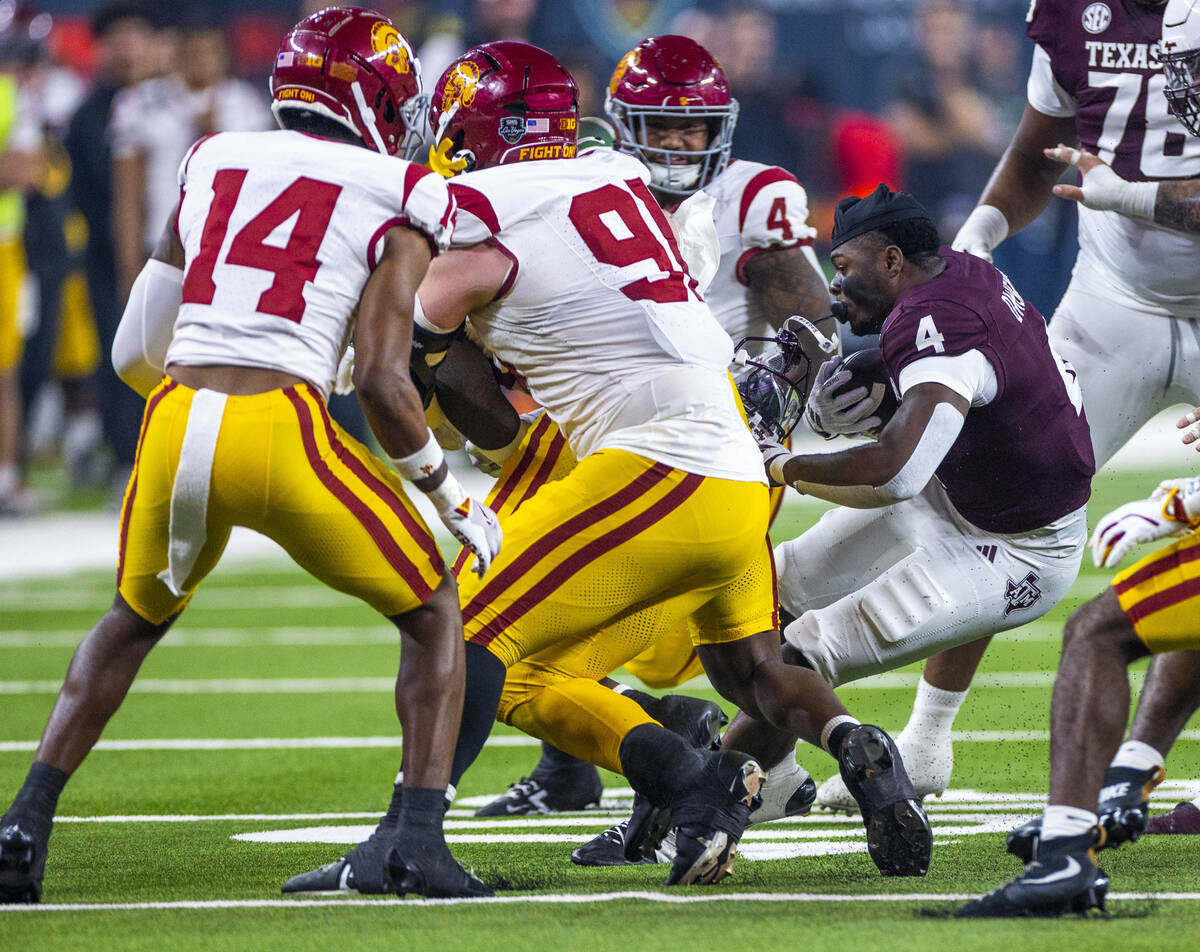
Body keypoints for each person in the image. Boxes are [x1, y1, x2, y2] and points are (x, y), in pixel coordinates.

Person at [285, 41, 931, 892]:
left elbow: (415, 350)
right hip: (734, 468)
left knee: (464, 628)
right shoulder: (614, 179)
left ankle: (410, 840)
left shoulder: (476, 206)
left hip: (659, 465)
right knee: (751, 672)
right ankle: (843, 744)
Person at [0, 7, 501, 905]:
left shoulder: (213, 157)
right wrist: (447, 495)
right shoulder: (408, 188)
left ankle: (24, 822)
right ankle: (418, 839)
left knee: (132, 619)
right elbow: (386, 384)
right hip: (281, 429)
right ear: (380, 101)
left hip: (174, 414)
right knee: (432, 606)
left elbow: (130, 354)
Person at [819, 0, 1200, 813]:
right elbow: (1034, 154)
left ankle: (1136, 760)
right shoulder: (1068, 16)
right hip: (1117, 303)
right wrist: (975, 242)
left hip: (1140, 258)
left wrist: (1124, 196)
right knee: (997, 493)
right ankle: (925, 741)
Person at [472, 33, 834, 832]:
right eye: (661, 129)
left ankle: (696, 762)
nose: (676, 145)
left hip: (698, 429)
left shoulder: (750, 196)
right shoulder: (598, 176)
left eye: (693, 130)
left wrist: (777, 390)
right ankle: (606, 764)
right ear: (619, 123)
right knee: (548, 591)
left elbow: (813, 322)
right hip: (614, 418)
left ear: (721, 131)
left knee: (602, 625)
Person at [734, 185, 1094, 832]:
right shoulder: (954, 272)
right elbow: (933, 396)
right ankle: (780, 773)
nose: (836, 287)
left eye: (844, 268)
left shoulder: (937, 322)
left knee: (799, 654)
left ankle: (720, 796)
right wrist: (865, 380)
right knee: (770, 593)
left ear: (894, 260)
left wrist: (782, 463)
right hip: (958, 492)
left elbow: (898, 472)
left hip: (1016, 549)